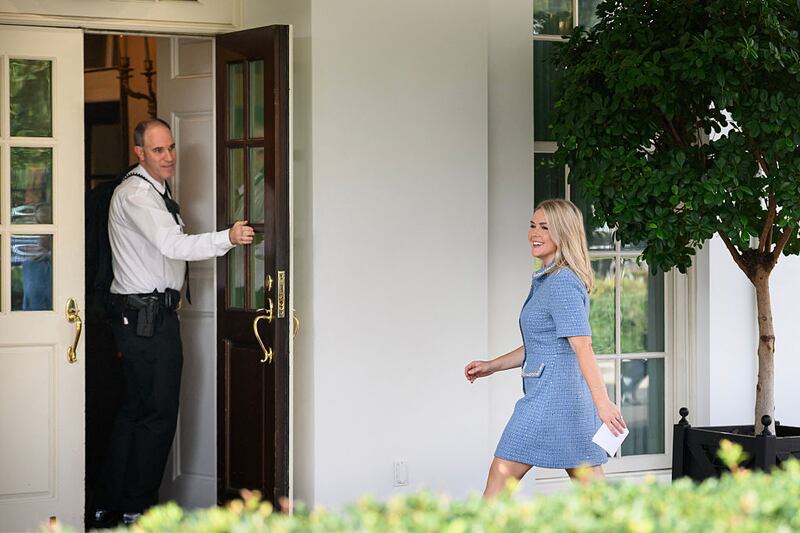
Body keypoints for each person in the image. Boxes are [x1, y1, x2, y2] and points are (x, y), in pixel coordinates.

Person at [91, 118, 255, 527]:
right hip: (145, 318)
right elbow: (172, 244)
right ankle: (138, 507)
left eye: (171, 148)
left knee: (137, 410)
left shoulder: (153, 190)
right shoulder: (137, 195)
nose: (168, 157)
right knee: (157, 413)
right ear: (140, 153)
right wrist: (227, 238)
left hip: (145, 315)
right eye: (158, 150)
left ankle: (113, 504)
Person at [464, 199, 626, 498]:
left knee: (497, 485)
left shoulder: (563, 282)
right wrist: (491, 366)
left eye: (545, 227)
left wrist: (603, 404)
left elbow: (583, 346)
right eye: (532, 225)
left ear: (563, 234)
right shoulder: (548, 279)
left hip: (554, 397)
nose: (534, 233)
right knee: (597, 499)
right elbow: (540, 346)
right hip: (559, 398)